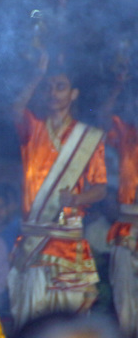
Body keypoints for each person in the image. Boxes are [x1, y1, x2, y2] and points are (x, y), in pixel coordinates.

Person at [7, 51, 107, 331]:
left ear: (73, 94)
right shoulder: (33, 128)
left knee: (68, 326)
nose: (53, 93)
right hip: (33, 243)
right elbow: (15, 108)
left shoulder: (88, 138)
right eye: (48, 87)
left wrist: (77, 199)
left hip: (67, 243)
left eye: (60, 87)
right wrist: (36, 75)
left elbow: (99, 188)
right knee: (31, 322)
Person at [98, 68, 138, 338]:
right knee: (126, 302)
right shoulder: (127, 135)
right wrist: (117, 86)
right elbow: (101, 121)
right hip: (129, 226)